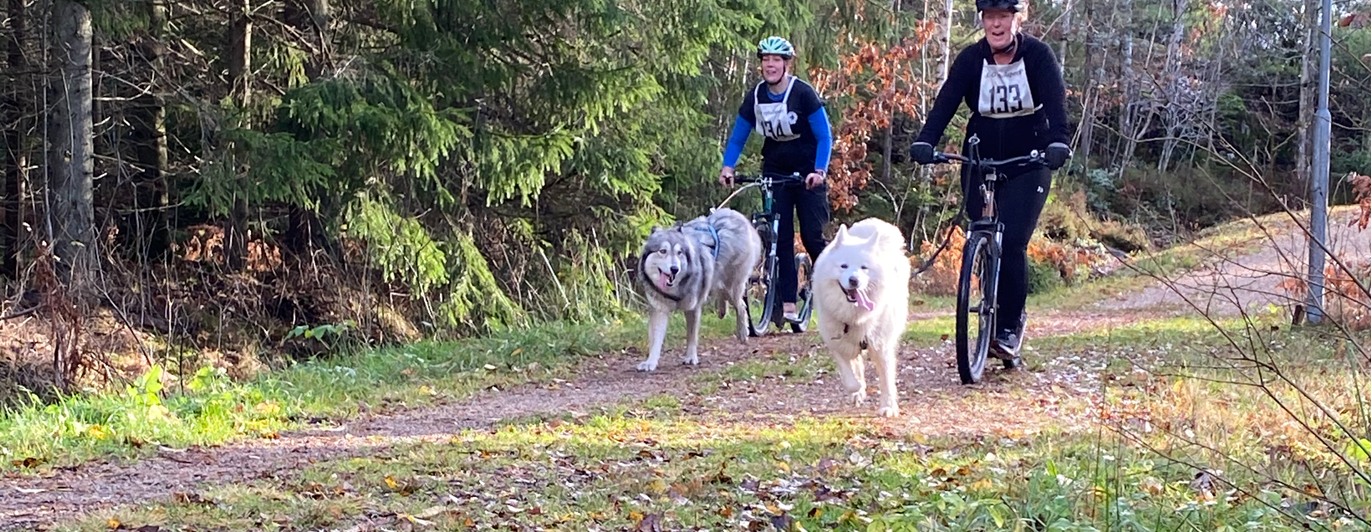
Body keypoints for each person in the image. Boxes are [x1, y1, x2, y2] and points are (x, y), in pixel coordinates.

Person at [908, 0, 1072, 361]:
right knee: (980, 229)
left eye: (1004, 17)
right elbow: (946, 102)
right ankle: (985, 290)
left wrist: (1059, 141)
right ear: (982, 21)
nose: (996, 25)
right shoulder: (971, 59)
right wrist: (926, 140)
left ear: (1018, 19)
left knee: (1012, 240)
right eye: (990, 17)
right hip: (980, 157)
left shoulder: (1039, 56)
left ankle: (1010, 325)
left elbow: (1057, 104)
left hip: (1029, 160)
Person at [719, 36, 834, 322]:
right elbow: (738, 136)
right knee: (778, 237)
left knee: (811, 236)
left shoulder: (803, 94)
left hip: (808, 170)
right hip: (775, 168)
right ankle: (786, 305)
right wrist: (728, 167)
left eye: (776, 60)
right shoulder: (755, 96)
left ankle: (835, 291)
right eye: (765, 60)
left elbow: (824, 135)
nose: (770, 65)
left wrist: (819, 171)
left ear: (786, 64)